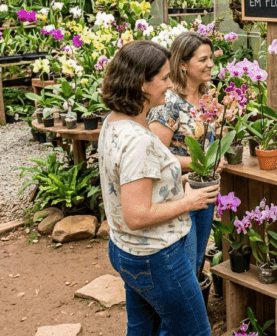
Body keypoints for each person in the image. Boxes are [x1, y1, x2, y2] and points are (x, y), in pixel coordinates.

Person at [99, 40, 218, 336]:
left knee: (142, 329)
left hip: (126, 249)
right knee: (195, 331)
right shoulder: (138, 140)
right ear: (141, 84)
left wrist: (176, 182)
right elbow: (137, 214)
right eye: (164, 78)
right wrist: (188, 202)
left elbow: (129, 184)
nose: (169, 84)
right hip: (157, 256)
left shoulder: (114, 123)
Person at [148, 31, 220, 279]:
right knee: (183, 265)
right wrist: (201, 164)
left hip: (204, 190)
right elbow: (155, 156)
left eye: (211, 58)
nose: (210, 64)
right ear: (182, 64)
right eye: (203, 59)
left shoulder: (207, 97)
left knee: (198, 259)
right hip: (179, 194)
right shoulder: (169, 102)